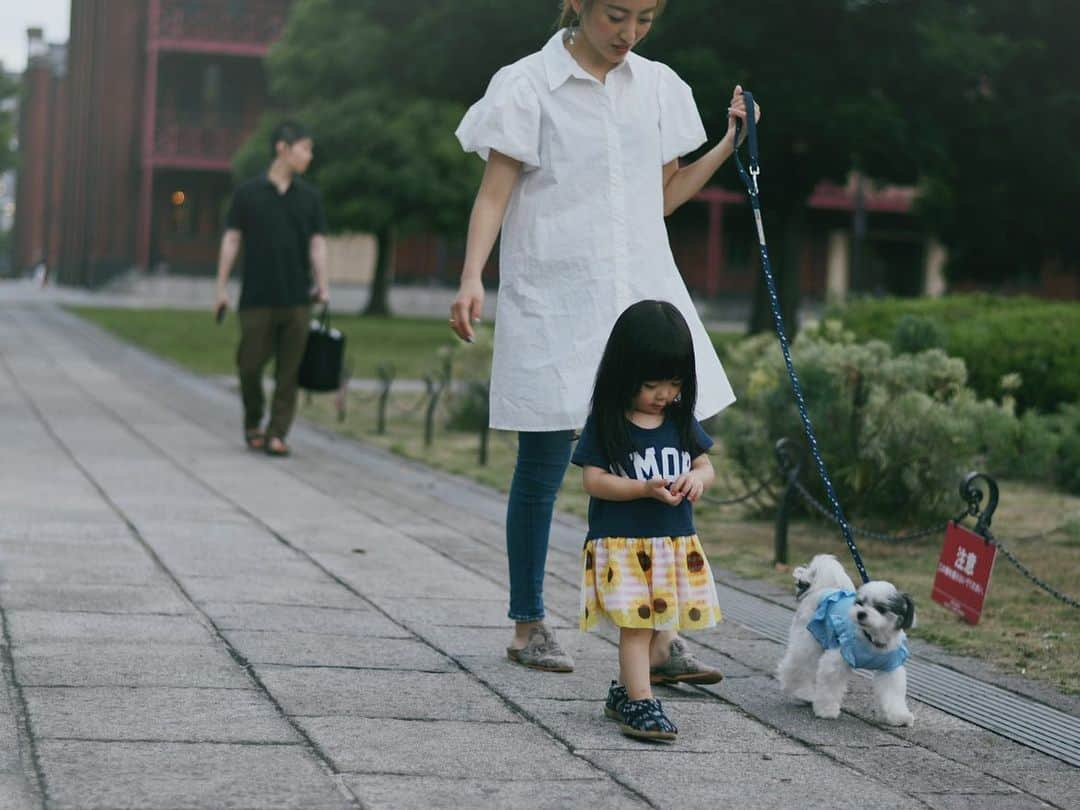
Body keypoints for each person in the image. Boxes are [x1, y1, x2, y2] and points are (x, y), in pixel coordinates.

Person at [450, 0, 758, 673]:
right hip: (557, 297)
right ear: (578, 5)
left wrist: (729, 145)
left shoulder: (657, 86)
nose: (629, 33)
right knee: (543, 464)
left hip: (639, 299)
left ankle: (662, 633)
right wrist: (472, 274)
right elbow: (494, 194)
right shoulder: (528, 85)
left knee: (662, 457)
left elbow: (666, 196)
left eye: (645, 18)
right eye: (616, 15)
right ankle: (529, 623)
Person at [574, 300, 723, 741]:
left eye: (674, 383)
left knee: (660, 619)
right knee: (637, 627)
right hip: (623, 544)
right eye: (651, 383)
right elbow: (593, 481)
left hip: (671, 543)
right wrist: (641, 488)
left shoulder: (679, 421)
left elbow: (706, 465)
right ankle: (640, 703)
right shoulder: (608, 422)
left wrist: (697, 479)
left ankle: (623, 694)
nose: (663, 394)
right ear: (624, 375)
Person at [215, 121, 329, 457]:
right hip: (256, 299)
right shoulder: (247, 194)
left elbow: (318, 243)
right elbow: (232, 239)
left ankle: (277, 433)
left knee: (288, 373)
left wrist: (323, 285)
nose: (309, 156)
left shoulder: (310, 198)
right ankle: (253, 422)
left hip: (297, 298)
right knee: (248, 366)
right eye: (305, 148)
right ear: (283, 147)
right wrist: (221, 287)